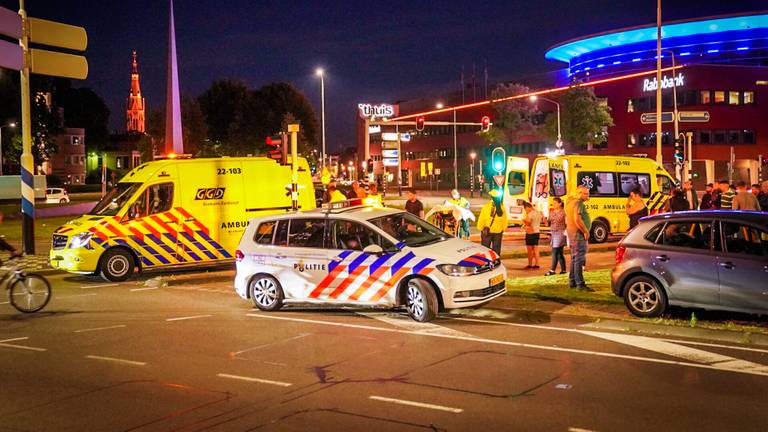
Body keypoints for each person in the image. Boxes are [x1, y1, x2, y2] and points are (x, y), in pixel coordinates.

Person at [565, 185, 592, 292]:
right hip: (578, 235)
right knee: (579, 259)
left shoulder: (569, 202)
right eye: (585, 193)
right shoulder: (578, 203)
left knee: (574, 259)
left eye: (588, 193)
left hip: (572, 234)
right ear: (579, 193)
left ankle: (572, 281)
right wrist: (585, 231)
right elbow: (577, 219)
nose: (588, 196)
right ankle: (580, 284)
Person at [477, 189, 508, 256]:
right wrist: (503, 229)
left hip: (487, 231)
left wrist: (480, 228)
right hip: (498, 231)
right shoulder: (501, 207)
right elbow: (505, 219)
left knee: (485, 249)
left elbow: (482, 218)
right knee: (496, 249)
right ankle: (496, 262)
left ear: (491, 197)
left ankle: (486, 262)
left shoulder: (486, 206)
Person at [545, 197, 566, 276]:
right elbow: (548, 223)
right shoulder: (552, 212)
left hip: (560, 232)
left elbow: (564, 222)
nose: (553, 204)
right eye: (553, 203)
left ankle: (552, 270)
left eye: (555, 203)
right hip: (553, 233)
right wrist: (543, 217)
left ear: (560, 204)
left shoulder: (563, 212)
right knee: (559, 252)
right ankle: (563, 270)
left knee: (555, 251)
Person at [522, 201, 542, 269]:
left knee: (529, 250)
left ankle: (530, 264)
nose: (525, 210)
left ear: (527, 207)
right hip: (537, 232)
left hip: (530, 233)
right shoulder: (538, 212)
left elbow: (528, 223)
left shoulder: (530, 214)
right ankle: (537, 264)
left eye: (525, 209)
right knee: (536, 249)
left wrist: (524, 220)